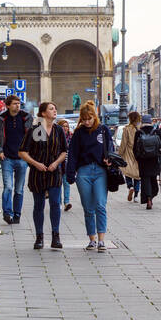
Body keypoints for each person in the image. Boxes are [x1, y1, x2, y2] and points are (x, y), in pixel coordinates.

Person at [66, 100, 115, 252]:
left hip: (100, 171)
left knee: (100, 205)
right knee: (88, 208)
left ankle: (101, 240)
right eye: (85, 119)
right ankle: (91, 239)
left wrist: (109, 160)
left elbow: (111, 149)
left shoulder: (103, 130)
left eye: (90, 118)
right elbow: (72, 154)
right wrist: (70, 173)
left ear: (95, 117)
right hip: (84, 172)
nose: (87, 122)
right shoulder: (79, 133)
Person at [20, 101, 68, 249]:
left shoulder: (58, 130)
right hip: (38, 173)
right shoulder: (36, 130)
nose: (55, 111)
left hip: (54, 172)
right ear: (42, 113)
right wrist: (36, 163)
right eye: (51, 109)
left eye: (55, 108)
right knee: (39, 205)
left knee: (55, 203)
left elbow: (64, 151)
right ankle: (39, 237)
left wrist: (56, 163)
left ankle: (55, 236)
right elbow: (22, 152)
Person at [0, 95, 32, 225]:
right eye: (14, 104)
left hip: (22, 159)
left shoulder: (26, 117)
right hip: (6, 157)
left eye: (18, 103)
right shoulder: (2, 119)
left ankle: (17, 214)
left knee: (19, 189)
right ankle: (7, 213)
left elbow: (34, 135)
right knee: (8, 187)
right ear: (8, 105)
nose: (17, 106)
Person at [134, 120, 161, 209]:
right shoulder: (156, 131)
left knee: (145, 179)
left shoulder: (138, 132)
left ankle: (148, 198)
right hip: (154, 159)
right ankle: (152, 195)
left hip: (143, 160)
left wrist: (137, 158)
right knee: (153, 178)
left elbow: (134, 148)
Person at [118, 111, 142, 202]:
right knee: (137, 175)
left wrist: (120, 154)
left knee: (127, 171)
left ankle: (130, 186)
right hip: (138, 154)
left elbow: (123, 143)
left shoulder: (126, 129)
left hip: (128, 153)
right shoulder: (140, 128)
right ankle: (136, 195)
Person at [57, 117, 74, 211]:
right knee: (59, 184)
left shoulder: (71, 137)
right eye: (63, 126)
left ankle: (66, 202)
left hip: (67, 163)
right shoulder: (56, 137)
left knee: (66, 184)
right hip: (59, 163)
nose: (65, 128)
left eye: (66, 126)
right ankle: (58, 203)